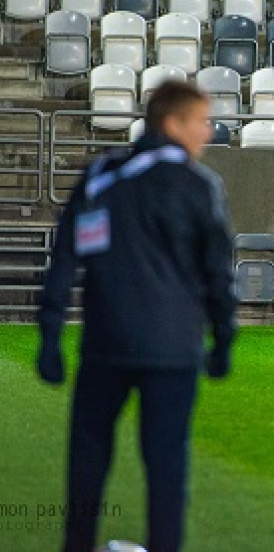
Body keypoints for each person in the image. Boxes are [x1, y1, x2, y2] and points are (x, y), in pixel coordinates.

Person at [36, 81, 237, 552]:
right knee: (167, 468)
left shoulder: (101, 174)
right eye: (201, 122)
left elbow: (64, 258)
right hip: (173, 352)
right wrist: (224, 341)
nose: (207, 133)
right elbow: (218, 274)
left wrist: (50, 337)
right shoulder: (200, 185)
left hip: (106, 345)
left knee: (87, 462)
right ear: (173, 123)